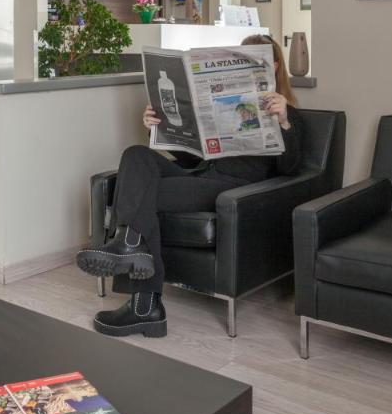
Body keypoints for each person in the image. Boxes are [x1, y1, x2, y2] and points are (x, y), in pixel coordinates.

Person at [76, 34, 303, 338]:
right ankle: (131, 252)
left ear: (273, 66)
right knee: (136, 154)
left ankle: (143, 297)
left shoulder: (288, 112)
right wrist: (159, 128)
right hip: (200, 175)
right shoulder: (219, 103)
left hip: (230, 190)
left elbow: (290, 169)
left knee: (142, 196)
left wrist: (284, 122)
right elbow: (192, 156)